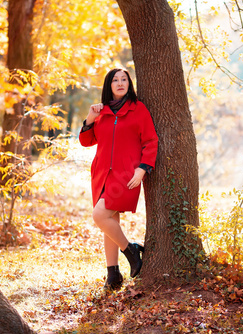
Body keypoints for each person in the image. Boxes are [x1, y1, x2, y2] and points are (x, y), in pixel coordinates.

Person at [79, 68, 158, 291]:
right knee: (109, 219)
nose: (120, 83)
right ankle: (113, 275)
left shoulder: (138, 109)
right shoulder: (101, 111)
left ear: (129, 84)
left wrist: (142, 169)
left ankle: (130, 251)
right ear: (109, 85)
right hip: (102, 173)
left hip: (127, 174)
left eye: (124, 79)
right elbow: (86, 141)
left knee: (100, 215)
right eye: (115, 80)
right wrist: (90, 119)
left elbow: (151, 140)